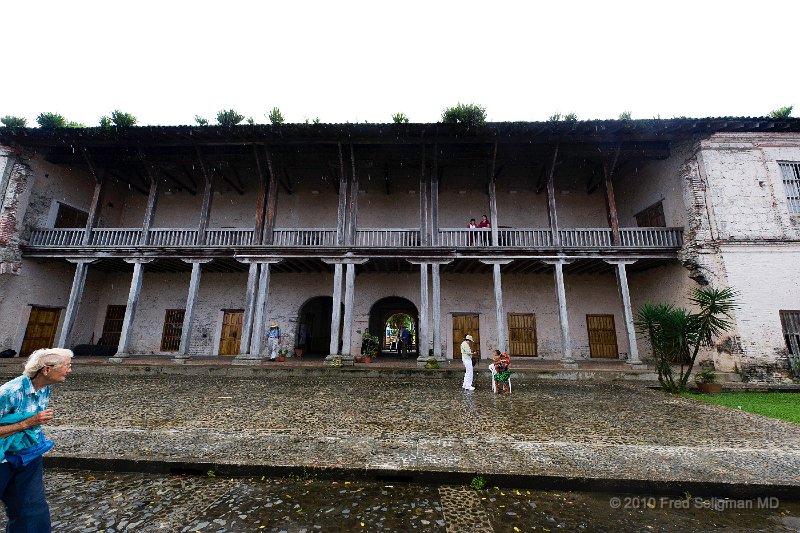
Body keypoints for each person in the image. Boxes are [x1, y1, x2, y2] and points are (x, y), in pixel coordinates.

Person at [0, 347, 73, 531]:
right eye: (67, 366)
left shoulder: (44, 389)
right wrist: (26, 423)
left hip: (29, 455)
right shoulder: (9, 392)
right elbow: (27, 423)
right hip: (3, 458)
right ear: (47, 369)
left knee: (32, 512)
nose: (70, 370)